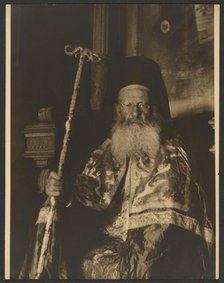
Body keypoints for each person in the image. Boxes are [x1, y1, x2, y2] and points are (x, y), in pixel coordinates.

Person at [45, 57, 213, 279]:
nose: (136, 112)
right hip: (108, 242)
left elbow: (183, 219)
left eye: (142, 104)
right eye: (129, 105)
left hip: (161, 249)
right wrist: (59, 189)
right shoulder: (106, 151)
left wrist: (143, 252)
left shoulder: (174, 152)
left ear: (152, 107)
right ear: (117, 109)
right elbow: (83, 198)